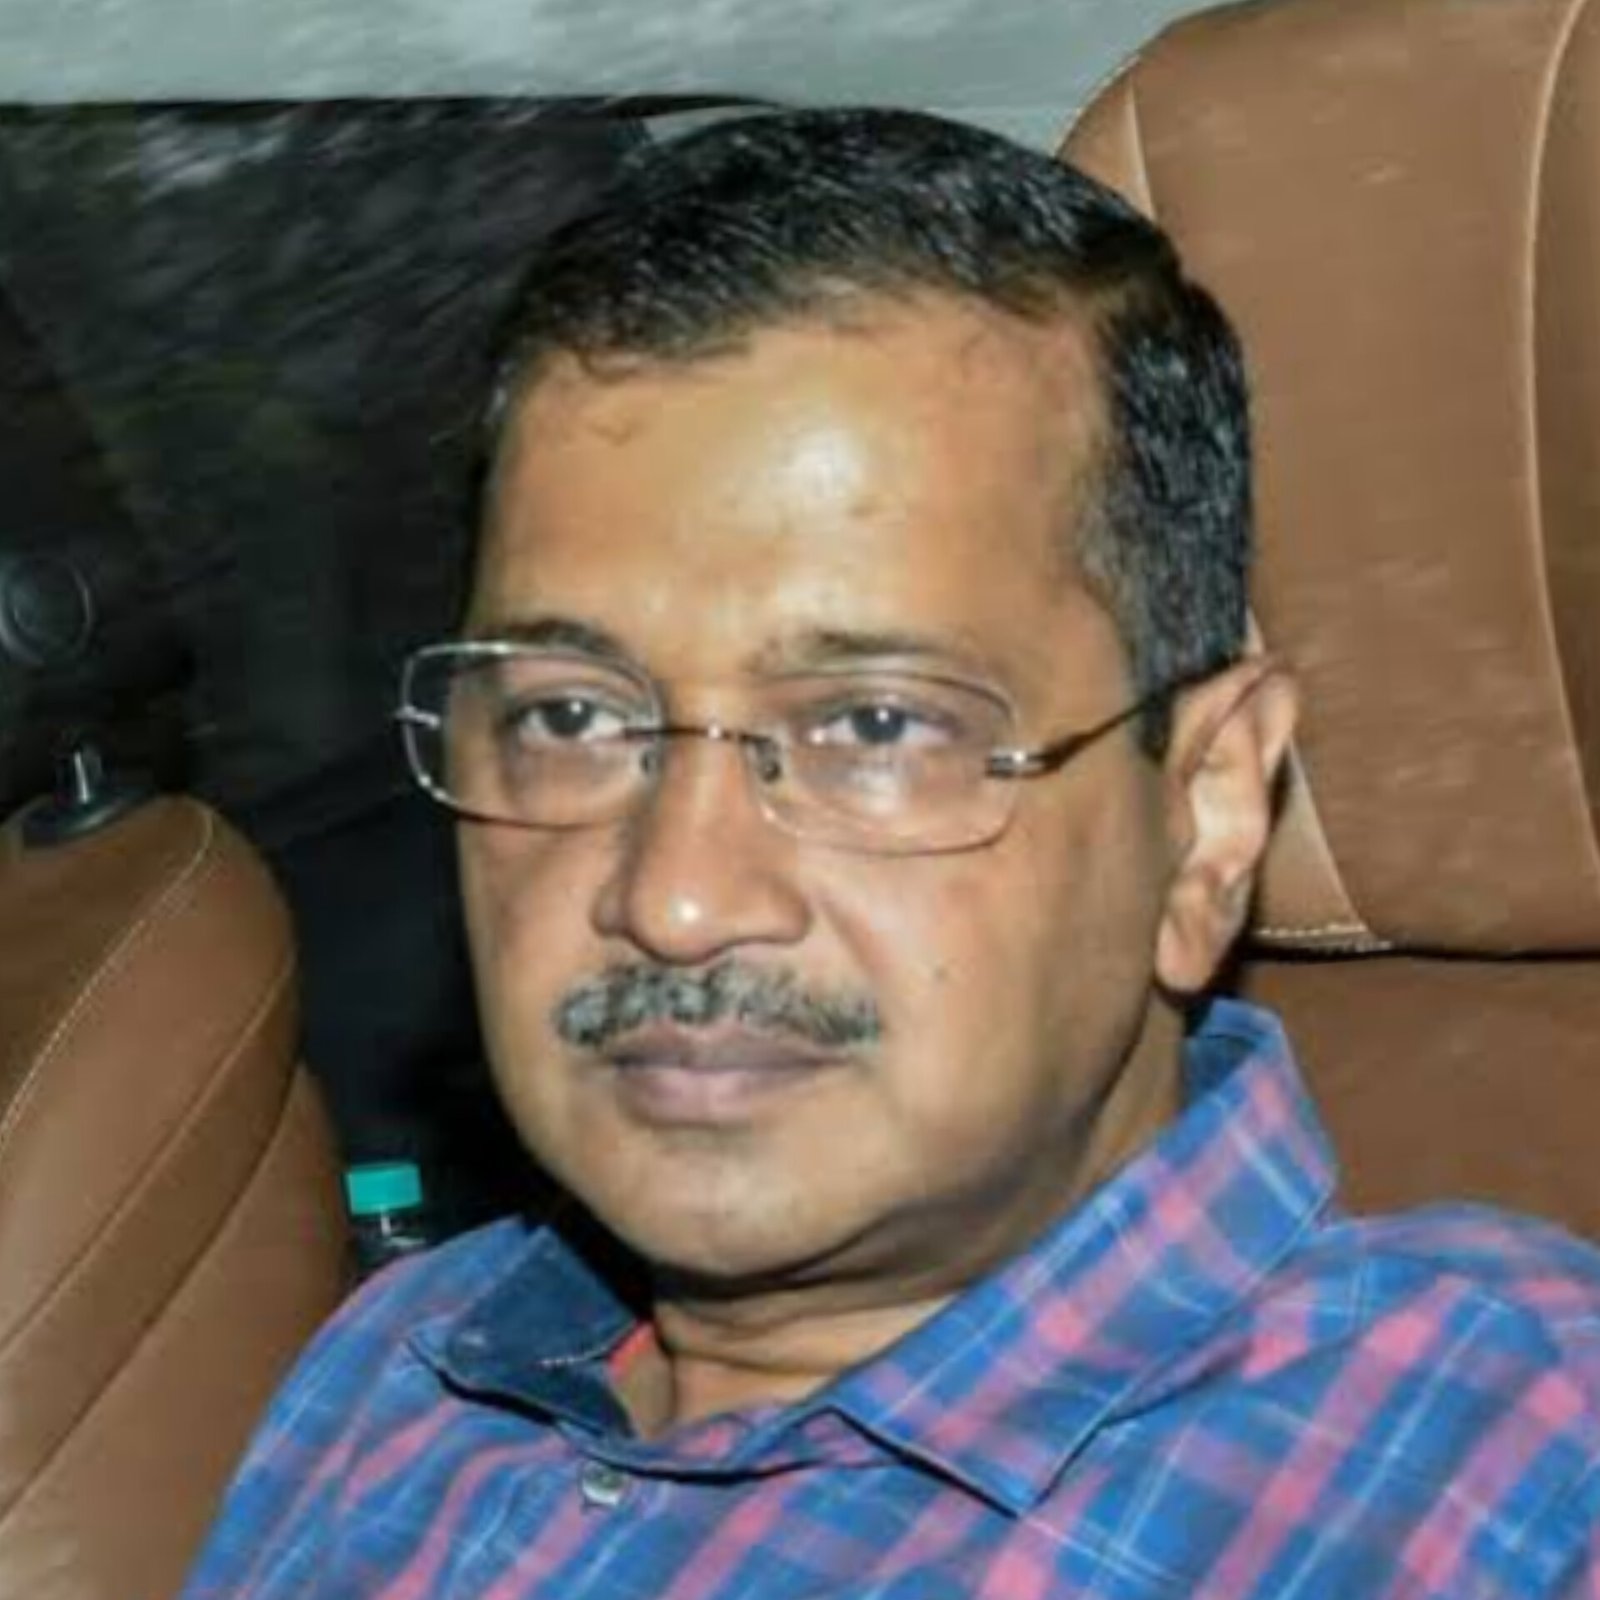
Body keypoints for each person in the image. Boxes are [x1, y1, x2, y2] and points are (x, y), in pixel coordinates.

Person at [180, 109, 1600, 1598]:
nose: (675, 898)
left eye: (871, 725)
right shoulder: (396, 1375)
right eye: (571, 716)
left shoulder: (1511, 1482)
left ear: (1205, 810)